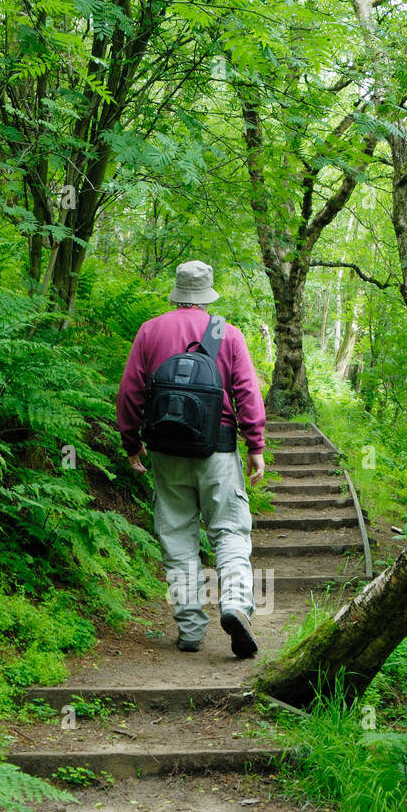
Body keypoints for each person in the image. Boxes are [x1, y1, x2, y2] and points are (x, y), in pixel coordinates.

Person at [116, 260, 266, 657]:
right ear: (208, 293)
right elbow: (247, 391)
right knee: (230, 531)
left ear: (177, 291)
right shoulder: (228, 334)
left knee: (177, 536)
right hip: (216, 446)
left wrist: (132, 444)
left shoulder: (150, 331)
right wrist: (255, 445)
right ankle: (235, 604)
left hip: (166, 450)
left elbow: (130, 393)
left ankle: (190, 628)